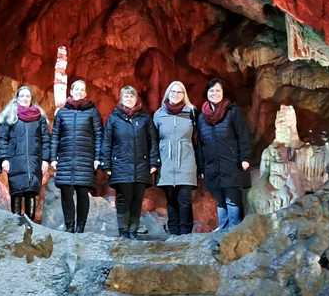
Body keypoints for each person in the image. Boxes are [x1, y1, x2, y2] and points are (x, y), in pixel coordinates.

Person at [101, 85, 159, 239]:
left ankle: (133, 230)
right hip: (120, 165)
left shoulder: (144, 119)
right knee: (123, 198)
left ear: (136, 98)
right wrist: (106, 164)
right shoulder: (114, 118)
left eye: (132, 96)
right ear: (121, 98)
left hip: (140, 164)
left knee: (136, 199)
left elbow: (152, 141)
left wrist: (153, 162)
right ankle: (123, 232)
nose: (129, 99)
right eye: (126, 96)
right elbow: (107, 142)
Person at [196, 78, 252, 230]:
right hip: (212, 166)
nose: (214, 93)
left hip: (231, 162)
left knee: (232, 199)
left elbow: (243, 135)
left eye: (218, 90)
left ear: (223, 93)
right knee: (220, 200)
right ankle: (223, 229)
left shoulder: (232, 112)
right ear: (207, 93)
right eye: (211, 90)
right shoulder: (202, 117)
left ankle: (234, 230)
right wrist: (202, 168)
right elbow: (200, 144)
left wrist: (245, 158)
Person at [50, 79, 103, 233]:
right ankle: (69, 226)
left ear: (85, 93)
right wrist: (53, 157)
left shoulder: (92, 112)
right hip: (66, 158)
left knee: (82, 192)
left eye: (82, 89)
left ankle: (80, 227)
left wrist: (97, 157)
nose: (79, 92)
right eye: (76, 89)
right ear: (71, 91)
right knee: (66, 192)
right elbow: (55, 136)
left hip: (85, 158)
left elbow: (99, 135)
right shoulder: (62, 113)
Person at [0, 86, 50, 221]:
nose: (25, 98)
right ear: (17, 98)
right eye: (22, 96)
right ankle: (15, 224)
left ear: (31, 99)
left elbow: (45, 139)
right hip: (15, 160)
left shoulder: (39, 117)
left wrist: (45, 159)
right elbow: (3, 138)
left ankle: (29, 226)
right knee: (16, 191)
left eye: (27, 96)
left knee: (31, 191)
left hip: (34, 160)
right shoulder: (10, 116)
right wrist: (4, 158)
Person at [153, 80, 197, 235]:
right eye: (173, 91)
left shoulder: (191, 112)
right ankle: (173, 232)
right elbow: (154, 139)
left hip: (186, 160)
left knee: (184, 199)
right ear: (167, 94)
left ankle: (186, 233)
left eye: (179, 92)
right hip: (166, 161)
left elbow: (198, 139)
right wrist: (155, 162)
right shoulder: (159, 114)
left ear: (184, 95)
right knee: (171, 200)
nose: (176, 95)